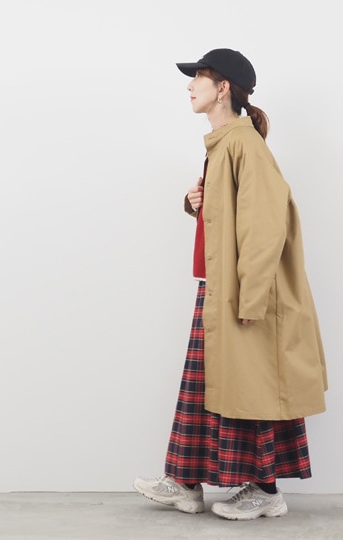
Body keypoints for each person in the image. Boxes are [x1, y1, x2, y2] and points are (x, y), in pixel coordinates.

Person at [133, 48, 328, 521]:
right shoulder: (223, 144)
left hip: (242, 293)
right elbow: (232, 218)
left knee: (250, 389)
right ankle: (184, 483)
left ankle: (266, 491)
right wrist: (196, 203)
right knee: (207, 388)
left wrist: (252, 299)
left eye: (198, 77)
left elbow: (265, 227)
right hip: (219, 286)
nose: (189, 86)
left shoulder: (244, 145)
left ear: (223, 89)